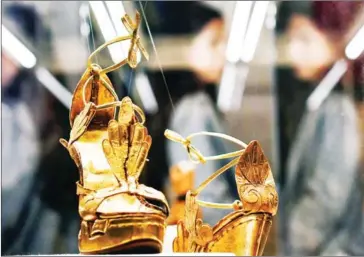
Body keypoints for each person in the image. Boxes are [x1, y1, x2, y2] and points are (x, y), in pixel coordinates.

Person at [140, 2, 239, 226]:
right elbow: (205, 199)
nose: (224, 53)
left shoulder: (176, 105)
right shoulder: (194, 109)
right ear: (182, 48)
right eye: (214, 43)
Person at [279, 1, 364, 255]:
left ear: (334, 38)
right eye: (290, 40)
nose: (293, 51)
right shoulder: (319, 101)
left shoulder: (338, 109)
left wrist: (289, 242)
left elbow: (327, 199)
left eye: (304, 40)